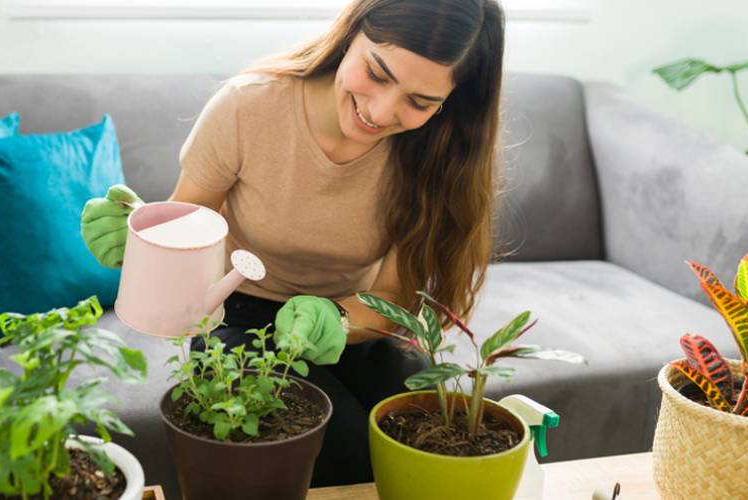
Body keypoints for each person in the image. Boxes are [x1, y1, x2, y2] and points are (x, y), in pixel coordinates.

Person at [81, 0, 505, 487]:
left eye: (420, 102)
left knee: (436, 439)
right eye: (377, 72)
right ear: (352, 35)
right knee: (340, 446)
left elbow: (394, 296)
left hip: (351, 322)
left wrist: (339, 321)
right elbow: (191, 221)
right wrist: (141, 233)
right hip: (235, 316)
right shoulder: (249, 106)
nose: (381, 111)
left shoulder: (438, 150)